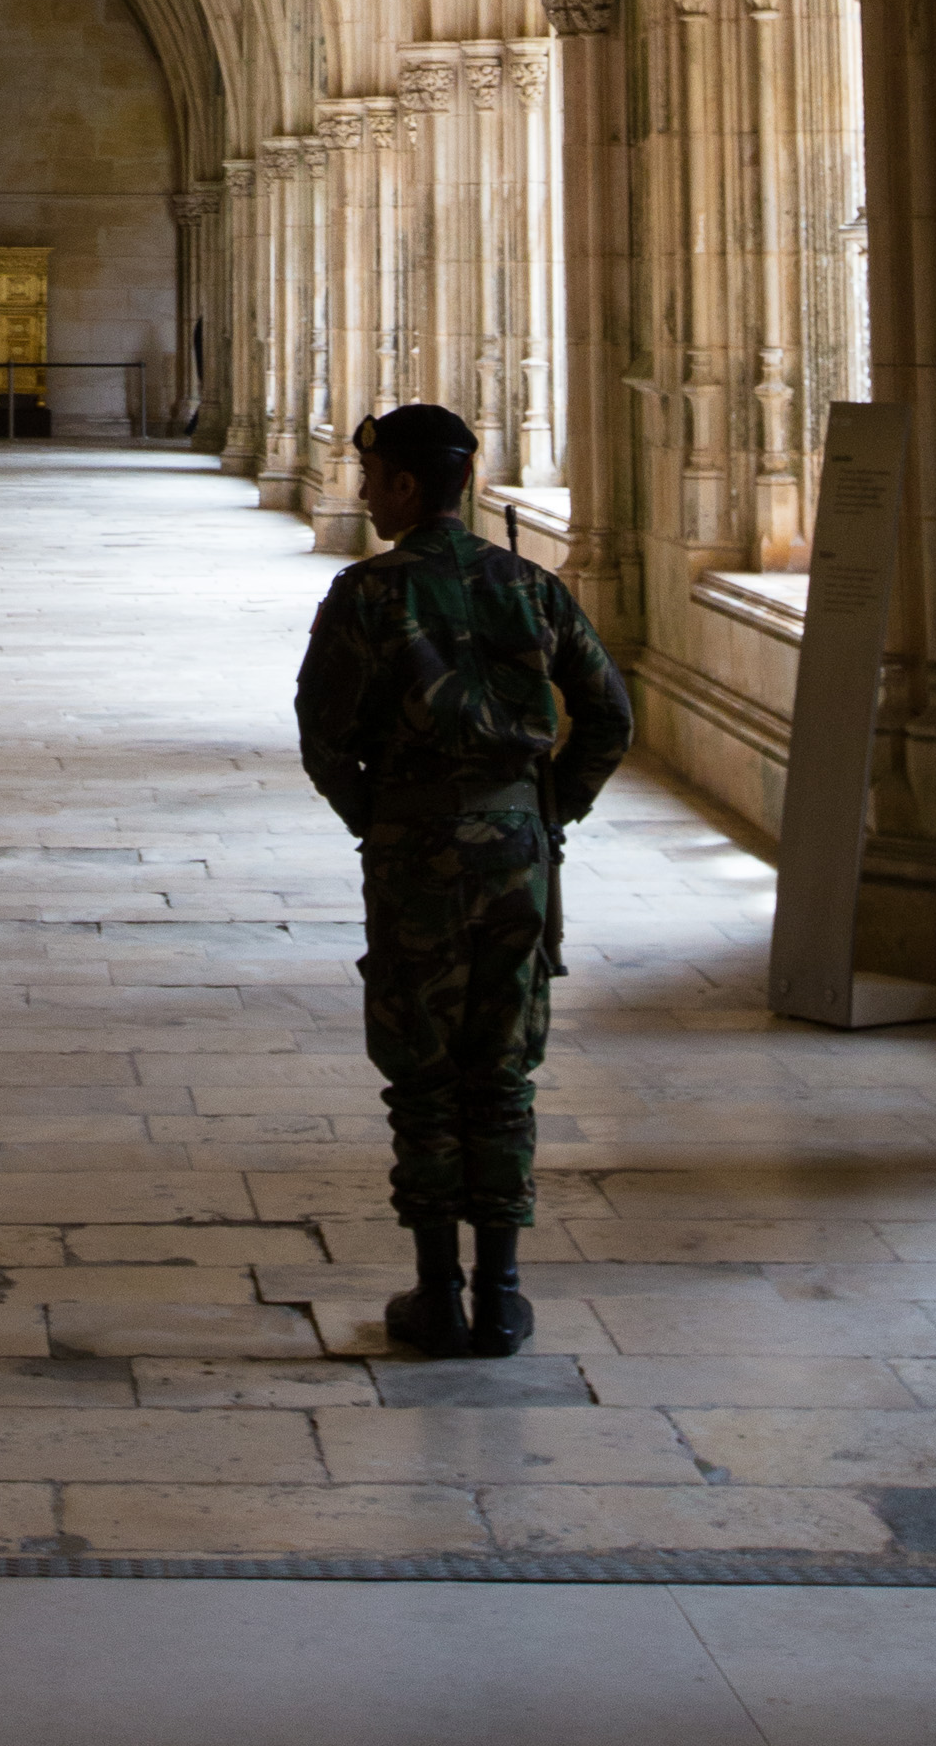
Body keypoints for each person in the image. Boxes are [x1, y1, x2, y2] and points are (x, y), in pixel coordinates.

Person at [294, 400, 633, 1360]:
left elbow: (324, 740)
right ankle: (506, 1293)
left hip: (414, 853)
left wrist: (386, 821)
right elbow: (609, 715)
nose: (365, 493)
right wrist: (541, 811)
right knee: (503, 1071)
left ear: (404, 484)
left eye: (373, 478)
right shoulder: (529, 585)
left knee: (423, 1070)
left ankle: (438, 1292)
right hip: (518, 854)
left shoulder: (366, 595)